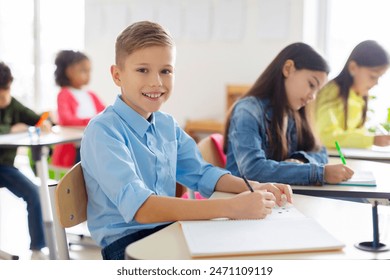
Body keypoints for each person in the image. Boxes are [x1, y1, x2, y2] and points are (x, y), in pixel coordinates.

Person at [80, 21, 293, 260]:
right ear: (117, 75)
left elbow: (202, 173)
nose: (157, 83)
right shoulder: (103, 131)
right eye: (142, 70)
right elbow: (143, 209)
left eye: (165, 71)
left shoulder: (166, 124)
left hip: (168, 230)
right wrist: (231, 208)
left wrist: (254, 187)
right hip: (128, 247)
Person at [224, 43, 354, 186]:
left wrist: (300, 161)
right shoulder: (247, 111)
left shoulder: (292, 112)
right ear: (288, 69)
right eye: (311, 85)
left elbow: (319, 151)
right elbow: (253, 170)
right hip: (242, 200)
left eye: (317, 91)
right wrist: (319, 173)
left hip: (274, 197)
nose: (313, 97)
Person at [0, 61, 51, 259]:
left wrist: (45, 121)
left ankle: (37, 248)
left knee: (35, 194)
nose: (5, 98)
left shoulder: (13, 104)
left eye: (7, 91)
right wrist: (10, 130)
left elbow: (36, 118)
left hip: (5, 168)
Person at [315, 40, 390, 148]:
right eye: (373, 76)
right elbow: (326, 137)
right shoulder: (332, 93)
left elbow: (355, 134)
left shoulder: (360, 97)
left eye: (379, 77)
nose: (376, 83)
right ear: (353, 68)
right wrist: (371, 140)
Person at [51, 50, 105, 168]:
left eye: (89, 71)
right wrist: (93, 121)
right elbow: (66, 120)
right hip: (75, 149)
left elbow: (106, 113)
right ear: (70, 72)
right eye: (84, 71)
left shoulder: (91, 94)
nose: (88, 75)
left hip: (93, 146)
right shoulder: (64, 94)